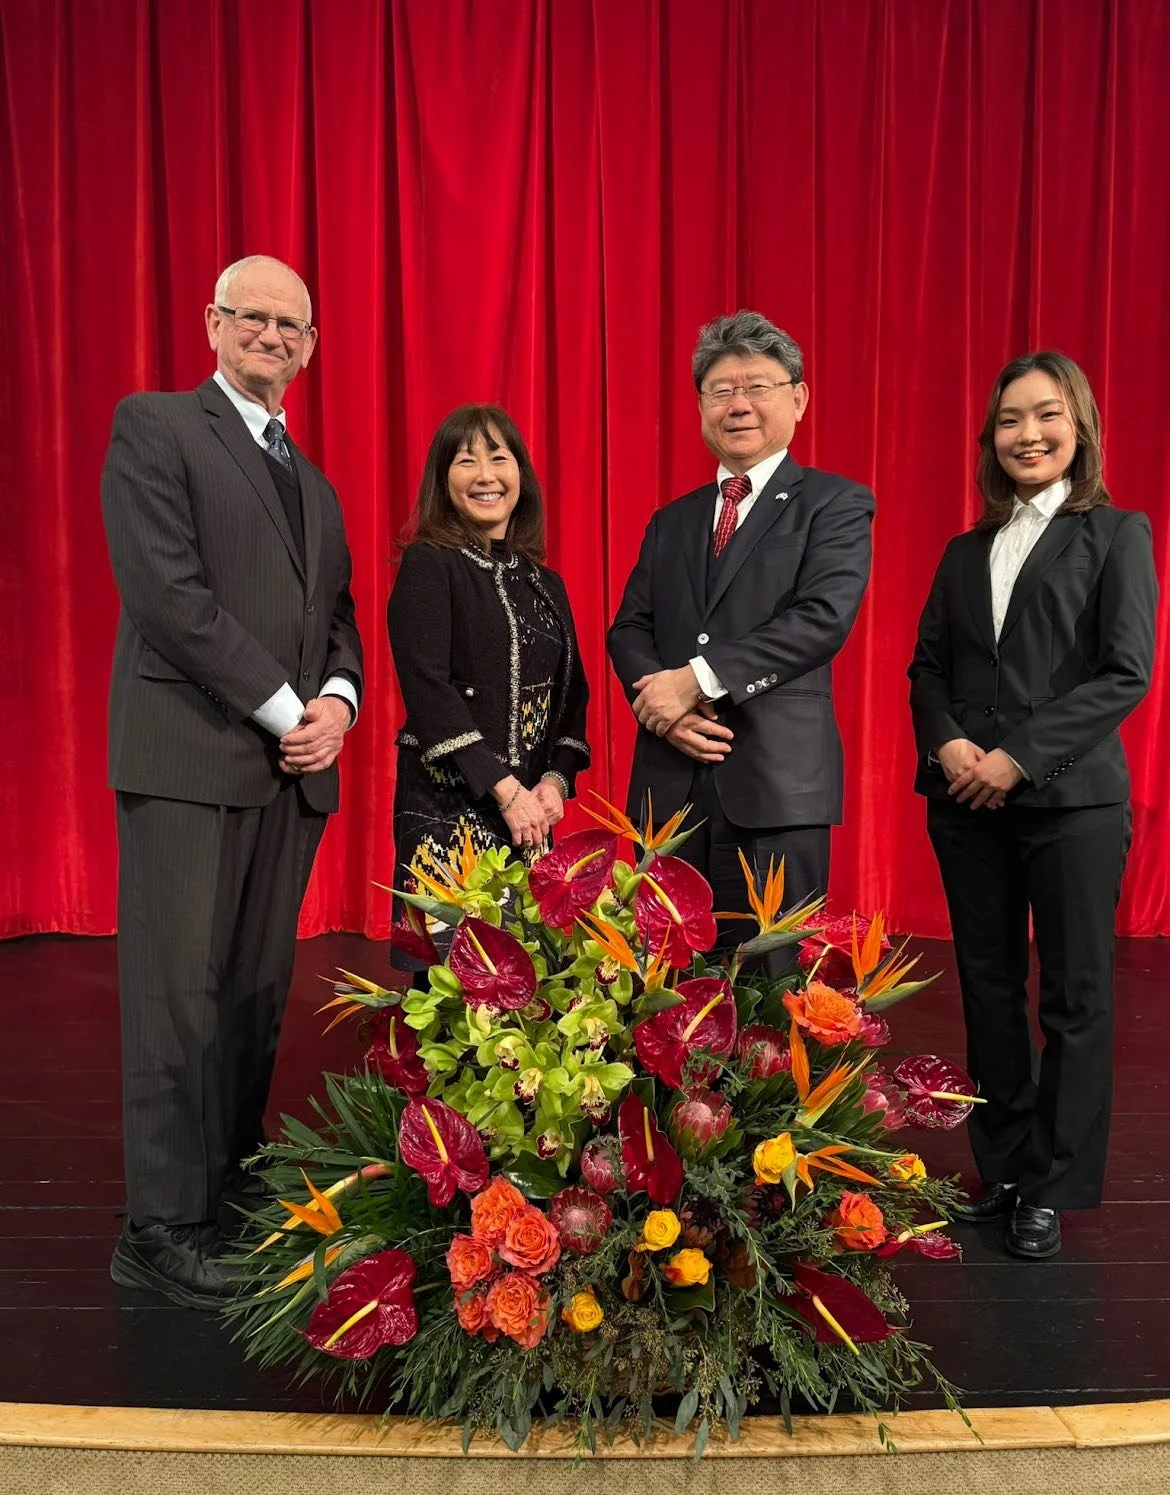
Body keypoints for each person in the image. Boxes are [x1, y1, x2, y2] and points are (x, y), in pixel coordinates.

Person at [101, 255, 363, 1307]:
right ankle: (160, 1227)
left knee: (251, 999)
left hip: (286, 771)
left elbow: (334, 616)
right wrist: (284, 705)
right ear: (212, 323)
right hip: (189, 755)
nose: (270, 335)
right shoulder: (156, 427)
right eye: (250, 317)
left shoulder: (314, 478)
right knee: (178, 996)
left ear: (310, 344)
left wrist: (338, 704)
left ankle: (227, 1190)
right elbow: (168, 594)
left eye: (290, 323)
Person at [908, 350, 1157, 1260]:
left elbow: (1124, 673)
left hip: (1073, 802)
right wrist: (950, 746)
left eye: (1046, 415)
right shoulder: (964, 549)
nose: (1028, 434)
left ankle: (1054, 1181)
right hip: (965, 800)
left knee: (1074, 997)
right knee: (987, 989)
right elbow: (928, 668)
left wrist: (1017, 757)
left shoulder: (1117, 533)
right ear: (991, 439)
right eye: (1010, 420)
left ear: (1079, 427)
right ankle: (1004, 1167)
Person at [607, 310, 874, 955]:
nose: (740, 405)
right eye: (722, 390)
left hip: (775, 786)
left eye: (759, 386)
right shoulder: (672, 521)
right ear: (701, 406)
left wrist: (694, 681)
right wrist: (665, 714)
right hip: (671, 782)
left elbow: (821, 620)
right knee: (665, 988)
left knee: (774, 988)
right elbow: (629, 629)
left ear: (799, 398)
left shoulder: (834, 504)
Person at [387, 405, 589, 949]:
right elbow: (429, 690)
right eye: (465, 460)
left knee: (528, 988)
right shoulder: (429, 563)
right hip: (448, 806)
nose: (485, 475)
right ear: (442, 479)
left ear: (520, 474)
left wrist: (554, 782)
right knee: (454, 987)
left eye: (498, 459)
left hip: (530, 812)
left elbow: (574, 697)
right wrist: (506, 791)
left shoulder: (548, 584)